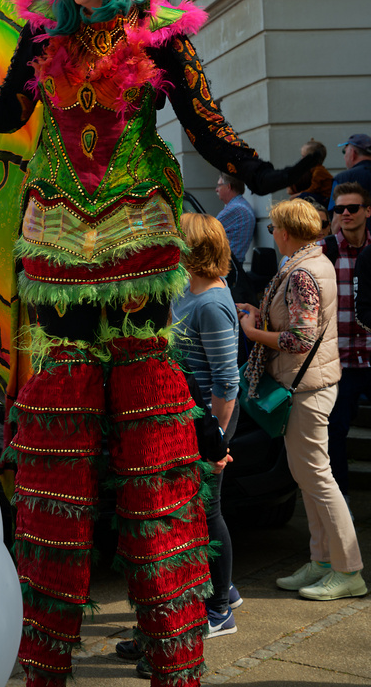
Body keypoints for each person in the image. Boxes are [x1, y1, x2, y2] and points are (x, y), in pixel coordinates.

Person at [0, 0, 313, 686]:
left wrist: (267, 170)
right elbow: (11, 113)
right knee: (55, 459)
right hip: (60, 249)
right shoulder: (48, 36)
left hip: (137, 248)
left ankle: (176, 650)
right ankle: (43, 656)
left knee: (154, 453)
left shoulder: (162, 38)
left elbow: (207, 127)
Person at [237, 199, 366, 601]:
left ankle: (349, 570)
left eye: (274, 227)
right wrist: (260, 313)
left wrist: (251, 331)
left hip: (307, 386)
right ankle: (322, 561)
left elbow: (300, 339)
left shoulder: (302, 272)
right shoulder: (313, 262)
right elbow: (298, 323)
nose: (271, 232)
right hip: (310, 383)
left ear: (287, 231)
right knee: (309, 478)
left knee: (318, 480)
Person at [174, 214, 239, 637]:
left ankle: (219, 612)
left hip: (208, 428)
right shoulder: (190, 291)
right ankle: (225, 591)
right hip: (195, 425)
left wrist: (214, 439)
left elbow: (226, 380)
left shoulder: (211, 304)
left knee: (208, 513)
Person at [323, 183, 371, 496]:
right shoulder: (325, 250)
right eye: (339, 209)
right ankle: (341, 505)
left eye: (352, 208)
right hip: (337, 363)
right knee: (334, 435)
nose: (345, 214)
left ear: (368, 211)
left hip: (370, 357)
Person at [216, 172, 256, 261]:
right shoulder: (240, 205)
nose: (216, 190)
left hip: (227, 267)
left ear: (228, 187)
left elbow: (204, 234)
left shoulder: (236, 209)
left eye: (219, 185)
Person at [329, 134, 371, 209]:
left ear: (352, 153)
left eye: (344, 152)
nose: (344, 157)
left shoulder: (342, 178)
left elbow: (334, 211)